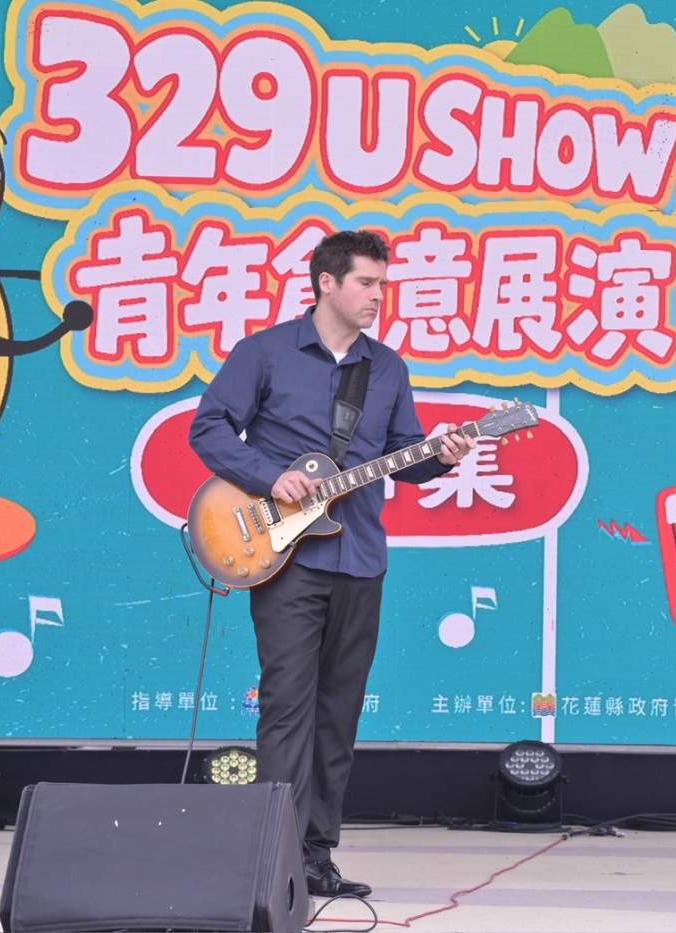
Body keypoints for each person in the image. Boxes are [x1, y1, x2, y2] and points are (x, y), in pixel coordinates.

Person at [190, 230, 474, 899]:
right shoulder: (265, 352)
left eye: (383, 284)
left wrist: (443, 456)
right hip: (286, 557)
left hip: (361, 556)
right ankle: (275, 857)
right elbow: (209, 427)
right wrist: (270, 477)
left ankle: (316, 857)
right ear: (326, 282)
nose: (378, 296)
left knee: (339, 713)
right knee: (287, 705)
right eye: (366, 283)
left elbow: (405, 454)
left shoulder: (388, 368)